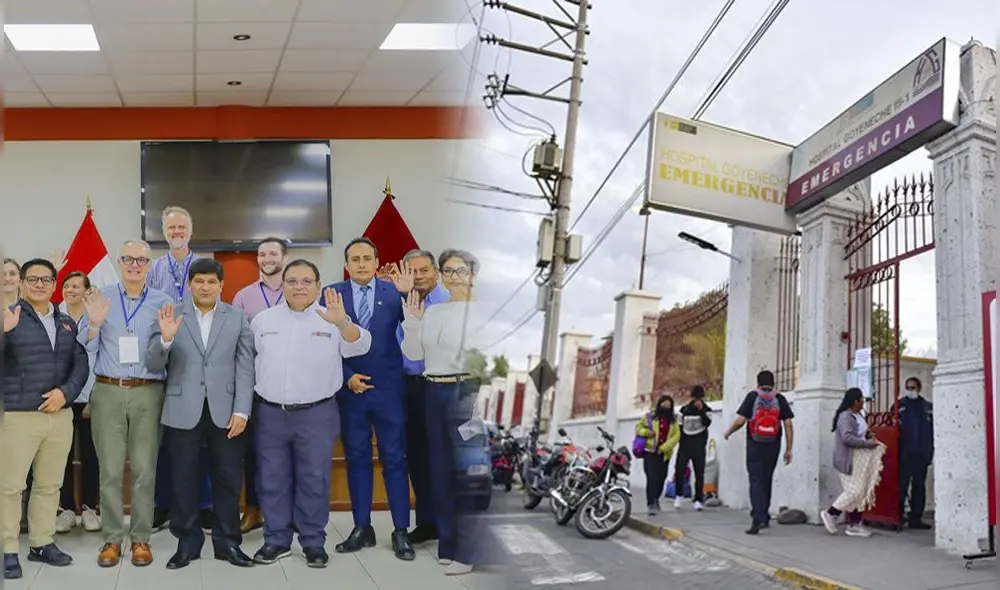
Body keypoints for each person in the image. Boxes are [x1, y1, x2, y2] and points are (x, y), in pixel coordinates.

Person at [250, 260, 371, 568]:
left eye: (307, 281)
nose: (299, 286)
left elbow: (362, 346)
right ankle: (276, 540)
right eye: (292, 281)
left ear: (319, 286)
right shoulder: (263, 320)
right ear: (283, 285)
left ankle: (313, 541)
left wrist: (342, 323)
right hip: (270, 413)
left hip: (317, 413)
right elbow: (248, 362)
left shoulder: (332, 319)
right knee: (271, 479)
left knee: (314, 478)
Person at [146, 258, 255, 569]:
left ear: (221, 285)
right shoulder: (171, 315)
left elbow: (246, 367)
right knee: (183, 479)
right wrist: (165, 339)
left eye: (212, 282)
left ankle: (227, 543)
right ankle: (187, 543)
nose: (205, 287)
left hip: (227, 412)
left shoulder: (237, 317)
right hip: (183, 409)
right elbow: (153, 364)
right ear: (190, 285)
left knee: (228, 478)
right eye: (199, 282)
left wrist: (242, 411)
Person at [401, 248, 494, 576]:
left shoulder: (484, 313)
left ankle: (469, 551)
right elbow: (415, 353)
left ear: (473, 276)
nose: (455, 276)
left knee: (464, 475)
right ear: (442, 275)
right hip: (433, 390)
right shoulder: (435, 312)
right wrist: (412, 324)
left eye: (462, 271)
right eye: (449, 271)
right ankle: (449, 545)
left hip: (464, 392)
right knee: (438, 470)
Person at [321, 238, 414, 561]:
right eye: (354, 259)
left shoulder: (394, 292)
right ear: (346, 265)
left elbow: (415, 334)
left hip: (389, 392)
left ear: (377, 262)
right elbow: (324, 344)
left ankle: (401, 530)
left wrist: (406, 294)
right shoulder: (332, 294)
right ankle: (363, 528)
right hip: (351, 392)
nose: (360, 264)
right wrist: (347, 375)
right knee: (356, 459)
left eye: (366, 258)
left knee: (394, 460)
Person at [82, 240, 173, 567]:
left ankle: (140, 540)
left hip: (148, 391)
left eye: (141, 260)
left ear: (149, 265)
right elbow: (83, 345)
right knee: (109, 471)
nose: (135, 265)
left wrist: (166, 337)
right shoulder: (101, 295)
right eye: (129, 259)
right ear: (120, 262)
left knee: (145, 470)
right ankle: (111, 540)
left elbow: (169, 351)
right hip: (108, 390)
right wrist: (93, 323)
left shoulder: (164, 301)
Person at [2, 258, 90, 580]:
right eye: (33, 279)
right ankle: (7, 549)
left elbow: (80, 363)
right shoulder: (8, 316)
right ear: (23, 283)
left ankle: (41, 542)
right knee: (10, 487)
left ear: (55, 285)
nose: (40, 284)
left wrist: (65, 394)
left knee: (49, 485)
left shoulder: (66, 321)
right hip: (18, 416)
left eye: (46, 279)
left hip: (59, 416)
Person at [147, 206, 212, 531]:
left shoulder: (203, 266)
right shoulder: (152, 268)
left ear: (191, 230)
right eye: (170, 227)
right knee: (161, 441)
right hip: (160, 361)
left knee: (200, 439)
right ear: (163, 232)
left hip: (196, 364)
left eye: (181, 227)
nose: (176, 232)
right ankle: (162, 504)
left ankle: (204, 505)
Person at [391, 249, 450, 544]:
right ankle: (427, 522)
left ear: (436, 272)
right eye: (412, 272)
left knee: (441, 456)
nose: (418, 277)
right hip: (409, 386)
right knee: (416, 456)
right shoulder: (403, 300)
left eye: (424, 270)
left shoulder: (450, 302)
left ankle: (447, 524)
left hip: (440, 385)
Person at [230, 236, 288, 534]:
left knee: (285, 454)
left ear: (284, 257)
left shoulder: (300, 291)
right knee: (253, 453)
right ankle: (253, 510)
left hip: (291, 386)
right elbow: (237, 343)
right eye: (262, 254)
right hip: (254, 386)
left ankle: (285, 514)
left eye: (272, 253)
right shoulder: (243, 296)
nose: (267, 258)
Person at [56, 272, 102, 534]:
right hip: (60, 397)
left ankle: (88, 508)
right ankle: (66, 509)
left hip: (88, 397)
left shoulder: (95, 317)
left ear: (86, 291)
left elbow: (98, 359)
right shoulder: (54, 315)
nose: (70, 290)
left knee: (90, 455)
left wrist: (94, 396)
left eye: (76, 286)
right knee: (60, 456)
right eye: (66, 286)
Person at [722, 369, 794, 535]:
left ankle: (757, 518)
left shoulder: (753, 396)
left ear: (758, 383)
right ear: (773, 383)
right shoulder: (779, 398)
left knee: (756, 479)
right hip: (773, 445)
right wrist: (789, 449)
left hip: (755, 444)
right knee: (767, 478)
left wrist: (729, 432)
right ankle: (765, 516)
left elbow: (741, 420)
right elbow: (788, 424)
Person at [821, 388, 885, 538]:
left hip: (859, 459)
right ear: (855, 401)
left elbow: (860, 432)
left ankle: (854, 524)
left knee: (861, 490)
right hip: (848, 459)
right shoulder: (845, 417)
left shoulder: (858, 415)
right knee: (854, 491)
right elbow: (847, 438)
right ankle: (831, 513)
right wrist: (868, 444)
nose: (864, 402)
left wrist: (869, 435)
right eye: (862, 399)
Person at [896, 377, 933, 530]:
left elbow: (932, 432)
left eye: (913, 387)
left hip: (921, 454)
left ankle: (916, 518)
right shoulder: (899, 406)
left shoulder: (927, 407)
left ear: (919, 388)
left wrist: (930, 452)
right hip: (904, 454)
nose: (910, 390)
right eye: (908, 387)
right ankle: (897, 516)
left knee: (919, 487)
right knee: (901, 486)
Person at [634, 394, 680, 515]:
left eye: (668, 406)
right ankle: (651, 503)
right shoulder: (650, 417)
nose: (666, 407)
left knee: (661, 478)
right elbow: (638, 428)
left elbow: (676, 436)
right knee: (651, 478)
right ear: (659, 404)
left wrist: (664, 448)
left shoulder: (673, 421)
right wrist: (646, 432)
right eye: (664, 405)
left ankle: (656, 499)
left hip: (664, 454)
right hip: (650, 452)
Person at [673, 385, 712, 511]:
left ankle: (698, 499)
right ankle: (679, 495)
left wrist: (701, 411)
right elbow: (679, 426)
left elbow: (707, 423)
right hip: (685, 445)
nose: (697, 400)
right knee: (679, 470)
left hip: (699, 446)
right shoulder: (684, 410)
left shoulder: (707, 409)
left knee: (699, 472)